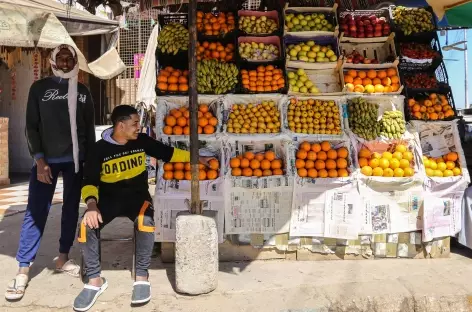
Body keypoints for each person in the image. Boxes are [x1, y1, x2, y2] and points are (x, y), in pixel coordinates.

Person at [73, 105, 214, 311]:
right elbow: (89, 181)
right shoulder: (98, 149)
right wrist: (92, 206)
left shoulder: (141, 141)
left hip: (138, 199)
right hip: (108, 200)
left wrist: (197, 159)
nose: (139, 127)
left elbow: (168, 153)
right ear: (121, 125)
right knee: (85, 227)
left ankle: (142, 276)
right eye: (135, 124)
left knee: (145, 222)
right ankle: (94, 280)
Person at [5, 44, 96, 300]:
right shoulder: (40, 89)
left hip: (76, 162)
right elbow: (31, 127)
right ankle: (23, 269)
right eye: (61, 59)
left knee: (70, 210)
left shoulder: (83, 91)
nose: (66, 63)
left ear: (75, 62)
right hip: (46, 162)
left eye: (70, 59)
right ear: (52, 60)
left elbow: (88, 130)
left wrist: (89, 162)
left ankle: (63, 258)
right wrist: (39, 159)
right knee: (35, 211)